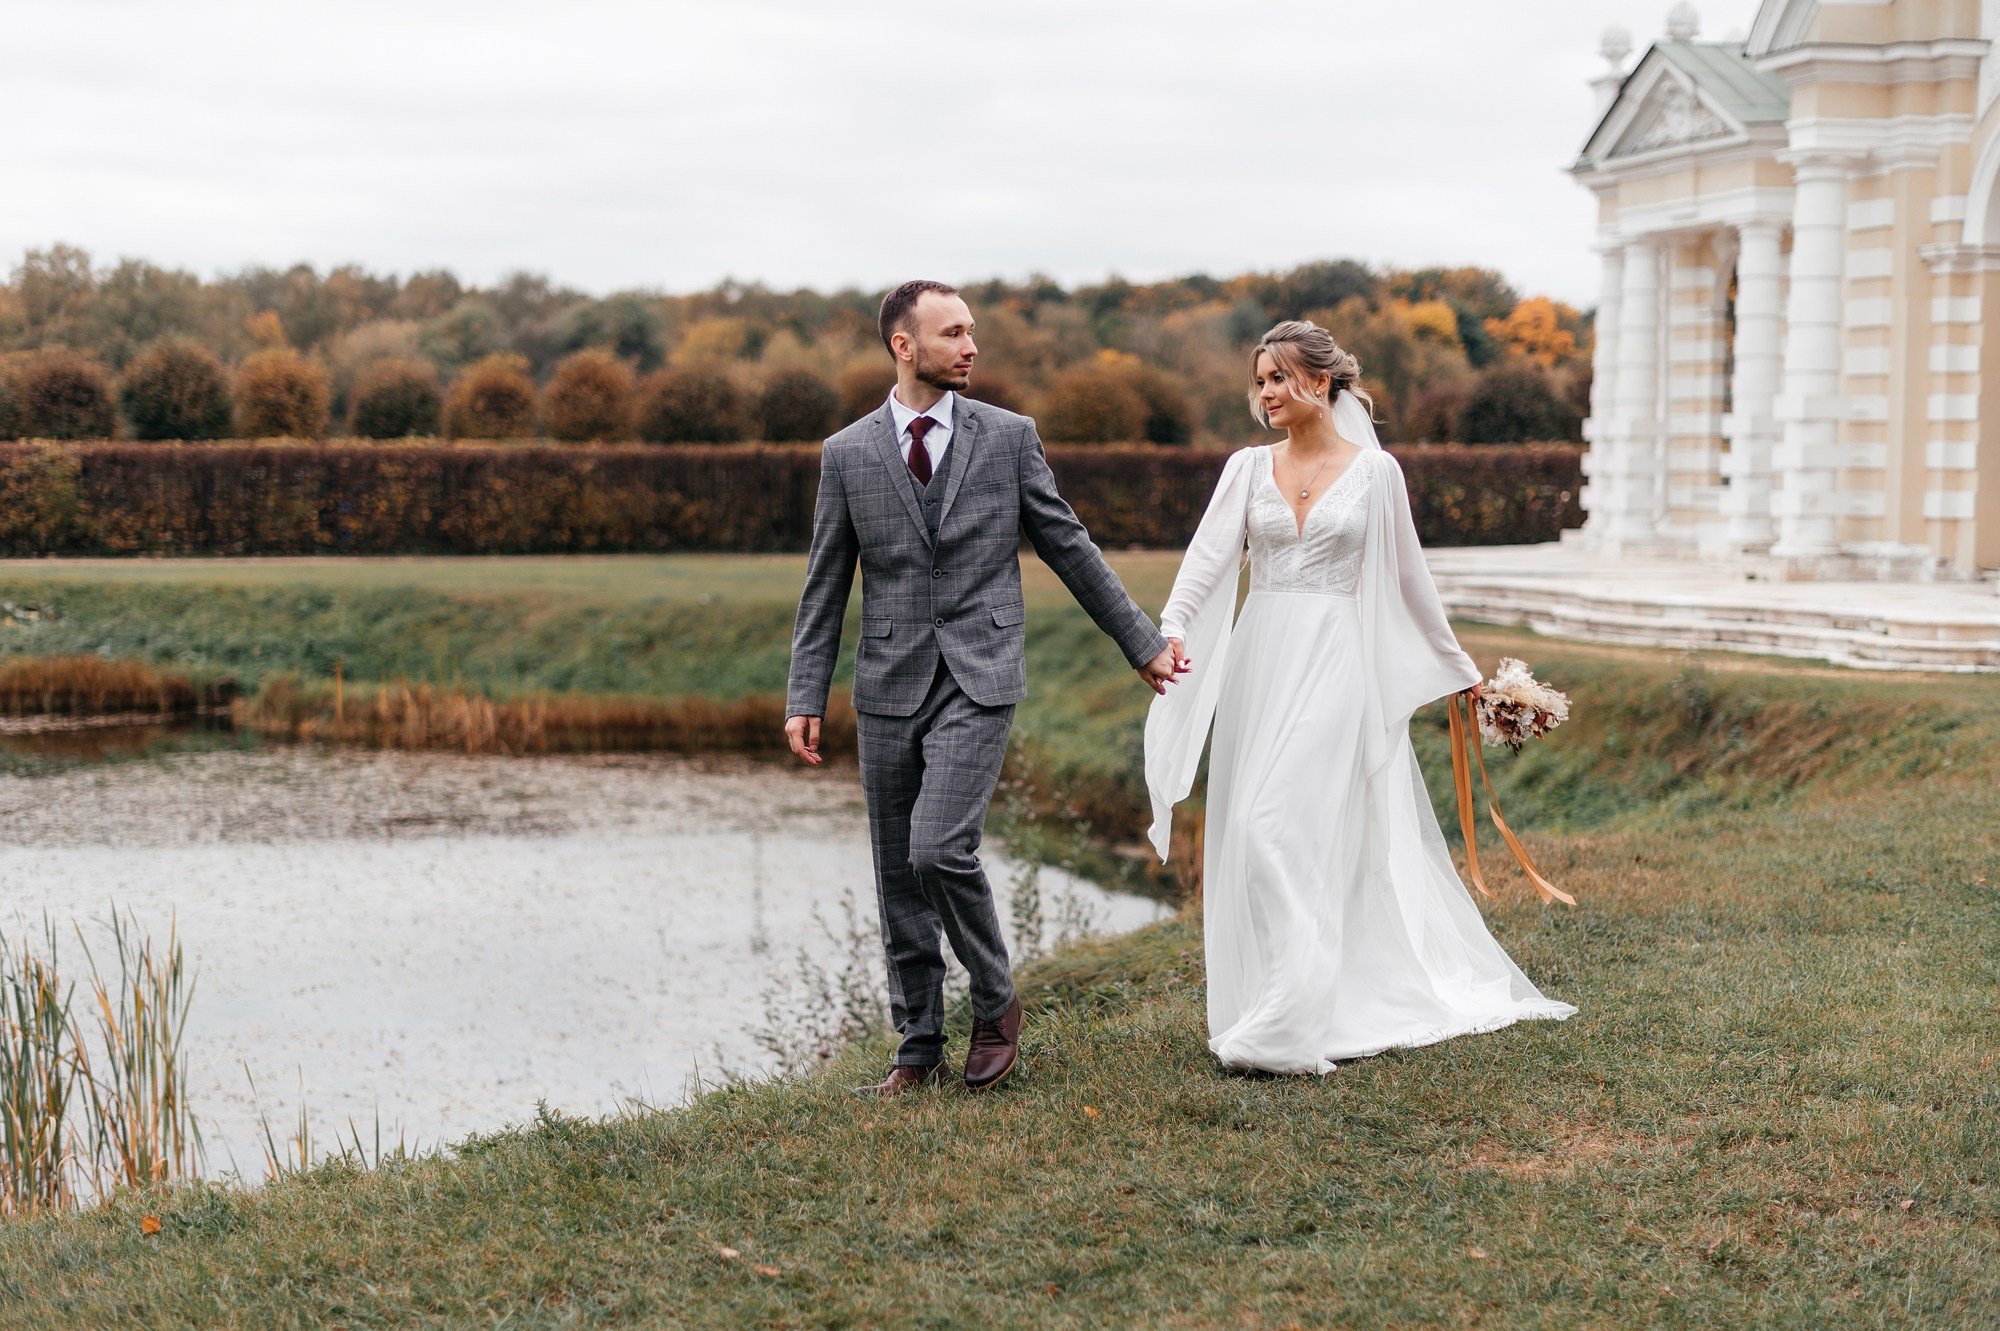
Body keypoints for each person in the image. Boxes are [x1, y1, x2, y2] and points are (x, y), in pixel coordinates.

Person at [1144, 320, 1575, 1075]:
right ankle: (1290, 997)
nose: (1266, 393)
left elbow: (1411, 582)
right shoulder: (1246, 469)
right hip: (1260, 661)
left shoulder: (1377, 474)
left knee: (1274, 827)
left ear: (1321, 381)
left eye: (1279, 377)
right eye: (1260, 380)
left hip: (1335, 663)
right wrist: (1173, 628)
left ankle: (1287, 1024)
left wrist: (1463, 672)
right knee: (1255, 829)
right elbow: (1205, 563)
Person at [785, 279, 1183, 1096]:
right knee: (898, 872)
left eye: (971, 331)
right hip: (888, 680)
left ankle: (996, 1002)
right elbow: (825, 582)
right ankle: (917, 1047)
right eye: (953, 333)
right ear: (904, 345)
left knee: (938, 847)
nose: (971, 346)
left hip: (981, 672)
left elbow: (1068, 544)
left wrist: (1139, 641)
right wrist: (804, 694)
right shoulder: (847, 453)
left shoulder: (1008, 438)